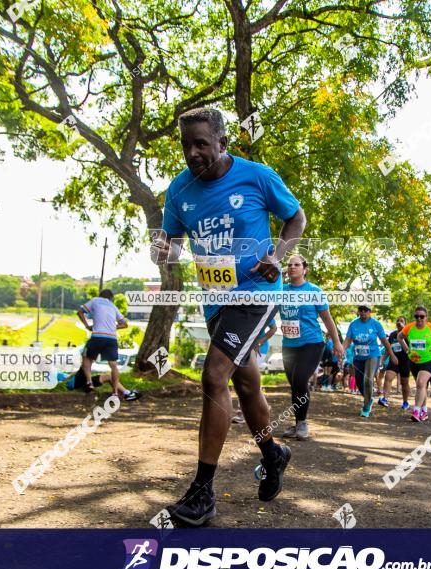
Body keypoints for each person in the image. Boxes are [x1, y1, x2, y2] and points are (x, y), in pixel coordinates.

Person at [152, 107, 306, 526]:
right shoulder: (178, 191)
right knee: (246, 382)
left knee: (213, 375)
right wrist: (164, 250)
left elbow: (295, 217)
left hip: (256, 291)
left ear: (222, 142)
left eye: (201, 143)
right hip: (216, 299)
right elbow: (171, 242)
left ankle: (202, 493)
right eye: (186, 145)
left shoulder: (256, 176)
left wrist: (278, 254)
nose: (192, 152)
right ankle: (273, 452)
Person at [279, 254, 344, 440]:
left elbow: (326, 318)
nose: (292, 267)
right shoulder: (280, 290)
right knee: (295, 385)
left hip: (312, 343)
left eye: (297, 265)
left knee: (300, 380)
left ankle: (302, 424)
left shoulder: (314, 291)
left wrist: (337, 342)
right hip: (289, 345)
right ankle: (297, 422)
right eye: (289, 265)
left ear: (305, 269)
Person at [76, 290, 135, 399]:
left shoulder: (95, 300)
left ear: (101, 295)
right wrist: (113, 327)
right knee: (113, 365)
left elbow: (80, 312)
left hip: (98, 336)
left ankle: (89, 382)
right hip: (111, 338)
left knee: (86, 358)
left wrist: (87, 326)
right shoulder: (113, 306)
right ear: (111, 298)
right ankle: (115, 392)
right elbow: (124, 324)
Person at [343, 306, 397, 417]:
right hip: (358, 357)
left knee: (367, 379)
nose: (363, 312)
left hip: (373, 355)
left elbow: (384, 341)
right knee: (359, 381)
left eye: (365, 310)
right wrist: (341, 349)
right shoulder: (353, 324)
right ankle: (369, 398)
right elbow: (348, 340)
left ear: (369, 312)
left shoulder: (376, 324)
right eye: (361, 310)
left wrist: (392, 355)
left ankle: (366, 406)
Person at [398, 306, 431, 422]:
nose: (419, 319)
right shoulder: (409, 327)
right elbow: (399, 337)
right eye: (417, 316)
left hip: (429, 360)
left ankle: (416, 411)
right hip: (414, 361)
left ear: (426, 317)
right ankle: (424, 411)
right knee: (422, 386)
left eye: (422, 316)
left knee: (420, 383)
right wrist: (406, 349)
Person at [378, 316, 411, 409]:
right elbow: (388, 349)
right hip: (394, 360)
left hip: (405, 361)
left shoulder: (408, 334)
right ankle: (385, 399)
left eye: (401, 321)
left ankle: (405, 402)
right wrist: (382, 360)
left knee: (404, 383)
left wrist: (404, 330)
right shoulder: (392, 335)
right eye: (398, 321)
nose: (399, 322)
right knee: (388, 377)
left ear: (405, 323)